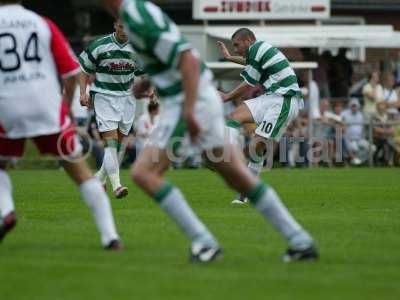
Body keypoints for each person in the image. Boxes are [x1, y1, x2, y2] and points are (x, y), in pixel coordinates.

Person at [104, 0, 318, 263]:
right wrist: (150, 81)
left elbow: (188, 61)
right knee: (236, 175)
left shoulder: (136, 16)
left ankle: (205, 243)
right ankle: (300, 240)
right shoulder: (136, 14)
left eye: (238, 44)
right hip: (194, 97)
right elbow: (174, 57)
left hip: (187, 100)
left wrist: (191, 110)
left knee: (143, 173)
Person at [0, 1, 121, 249]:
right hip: (46, 106)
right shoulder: (42, 23)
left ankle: (6, 210)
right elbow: (70, 72)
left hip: (6, 106)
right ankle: (110, 237)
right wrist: (64, 108)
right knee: (78, 169)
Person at [217, 29, 304, 203]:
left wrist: (226, 96)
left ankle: (245, 192)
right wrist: (228, 58)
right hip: (272, 96)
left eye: (236, 45)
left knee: (257, 144)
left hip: (285, 99)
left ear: (248, 40)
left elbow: (249, 83)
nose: (234, 49)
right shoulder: (257, 51)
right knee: (234, 116)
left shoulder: (257, 48)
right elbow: (247, 63)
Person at [79, 19, 144, 198]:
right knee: (111, 143)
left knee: (117, 146)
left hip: (127, 99)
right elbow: (84, 70)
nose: (124, 30)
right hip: (104, 97)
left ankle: (99, 179)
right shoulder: (99, 45)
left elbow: (142, 74)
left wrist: (151, 89)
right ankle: (117, 185)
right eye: (121, 26)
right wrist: (82, 93)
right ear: (114, 25)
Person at [341, 99, 372, 165]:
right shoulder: (344, 114)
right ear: (350, 106)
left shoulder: (360, 115)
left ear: (358, 106)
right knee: (354, 148)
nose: (354, 107)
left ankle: (357, 160)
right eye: (353, 106)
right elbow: (342, 127)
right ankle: (355, 160)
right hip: (349, 139)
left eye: (355, 106)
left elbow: (362, 128)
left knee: (372, 148)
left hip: (359, 139)